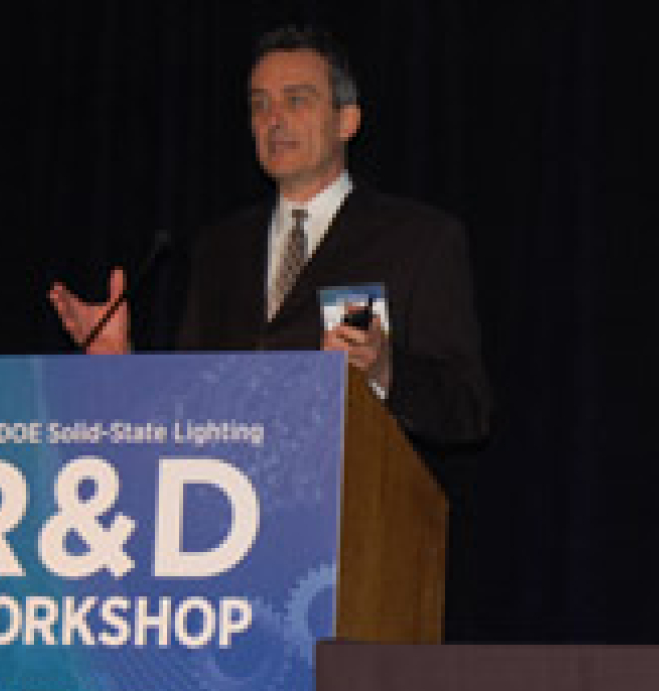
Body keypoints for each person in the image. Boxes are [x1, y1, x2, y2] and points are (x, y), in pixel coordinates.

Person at [49, 24, 490, 450]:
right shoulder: (220, 249)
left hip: (351, 510)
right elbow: (191, 407)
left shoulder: (418, 240)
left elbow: (467, 410)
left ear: (347, 120)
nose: (273, 119)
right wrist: (120, 364)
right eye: (260, 105)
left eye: (296, 100)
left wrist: (384, 368)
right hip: (230, 508)